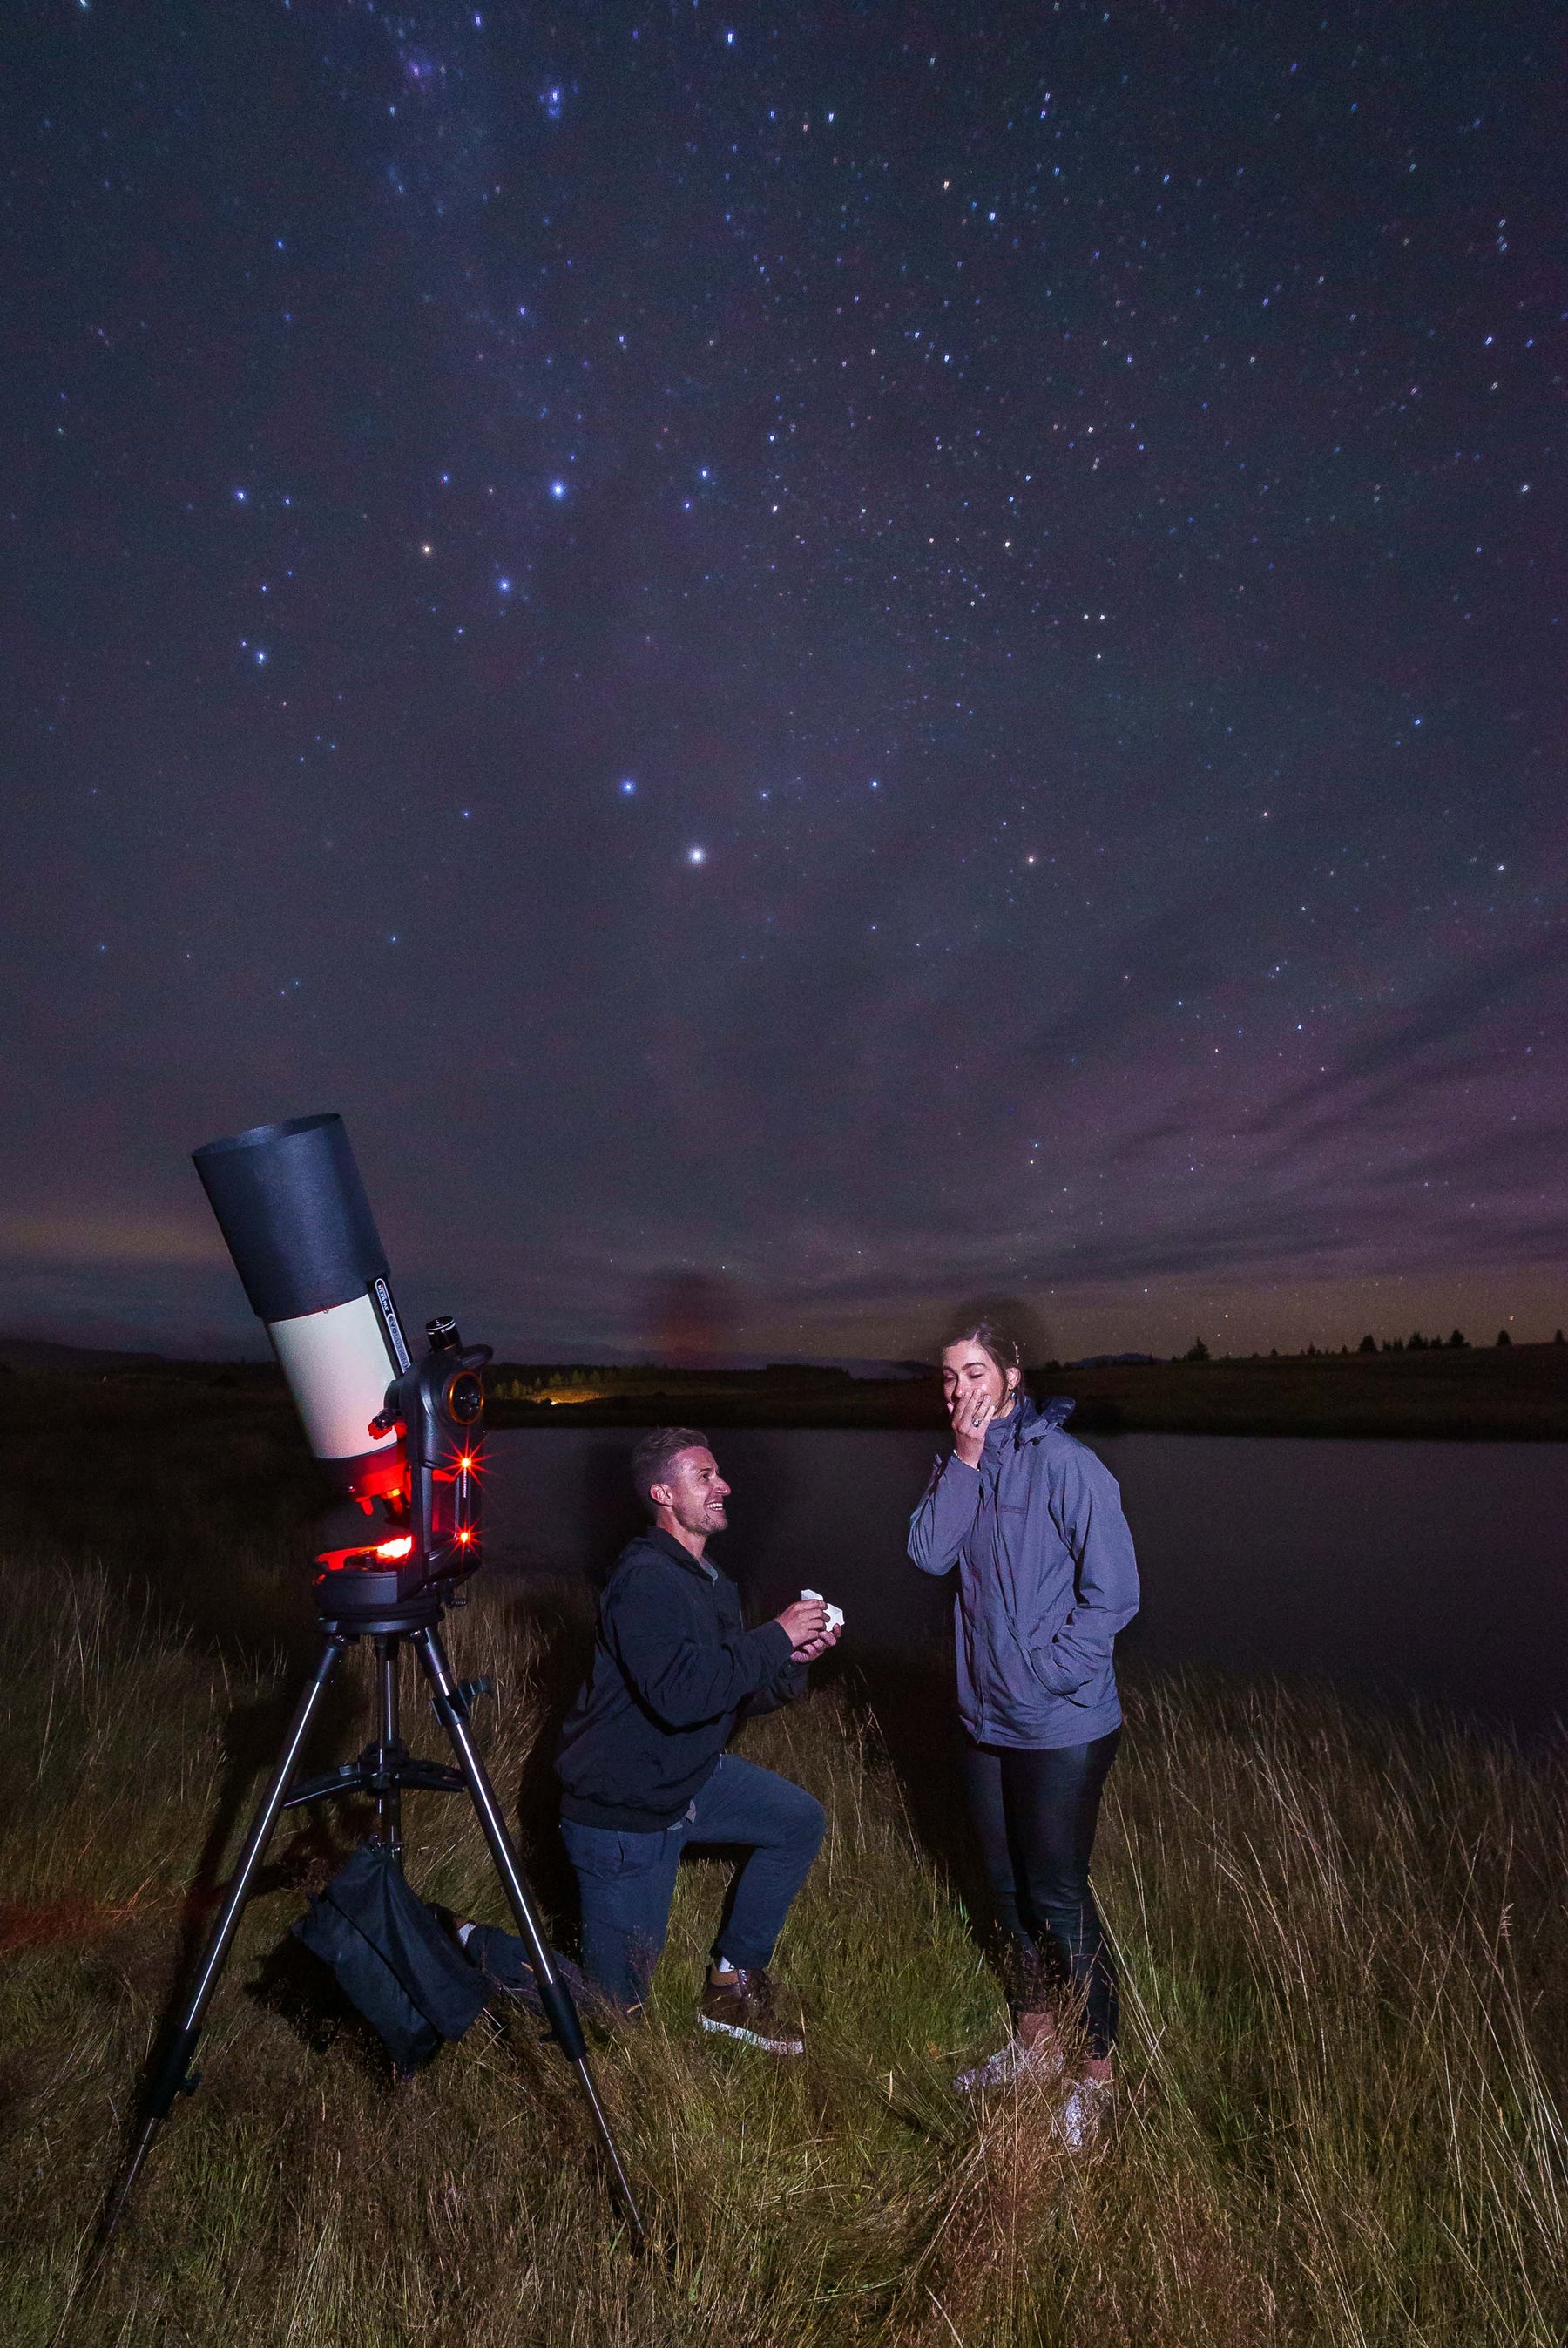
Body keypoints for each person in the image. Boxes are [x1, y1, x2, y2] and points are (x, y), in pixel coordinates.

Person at [909, 1317, 1139, 2142]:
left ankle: (1098, 2077)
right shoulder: (961, 1465)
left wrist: (1043, 1673)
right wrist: (965, 1462)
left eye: (974, 1372)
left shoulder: (1070, 1466)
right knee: (1005, 1893)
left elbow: (1113, 1596)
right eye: (947, 1377)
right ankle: (1035, 2046)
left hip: (1062, 1723)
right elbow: (930, 1555)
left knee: (1057, 1895)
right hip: (984, 1721)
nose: (959, 1390)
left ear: (1012, 1374)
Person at [555, 1426, 841, 2052]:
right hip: (624, 1811)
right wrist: (775, 1636)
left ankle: (730, 1987)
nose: (724, 1486)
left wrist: (794, 1659)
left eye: (719, 1474)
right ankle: (469, 1945)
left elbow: (728, 1694)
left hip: (684, 1778)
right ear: (663, 1492)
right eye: (704, 1476)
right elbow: (680, 1694)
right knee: (612, 2017)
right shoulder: (645, 1580)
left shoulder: (710, 1580)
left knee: (796, 1821)